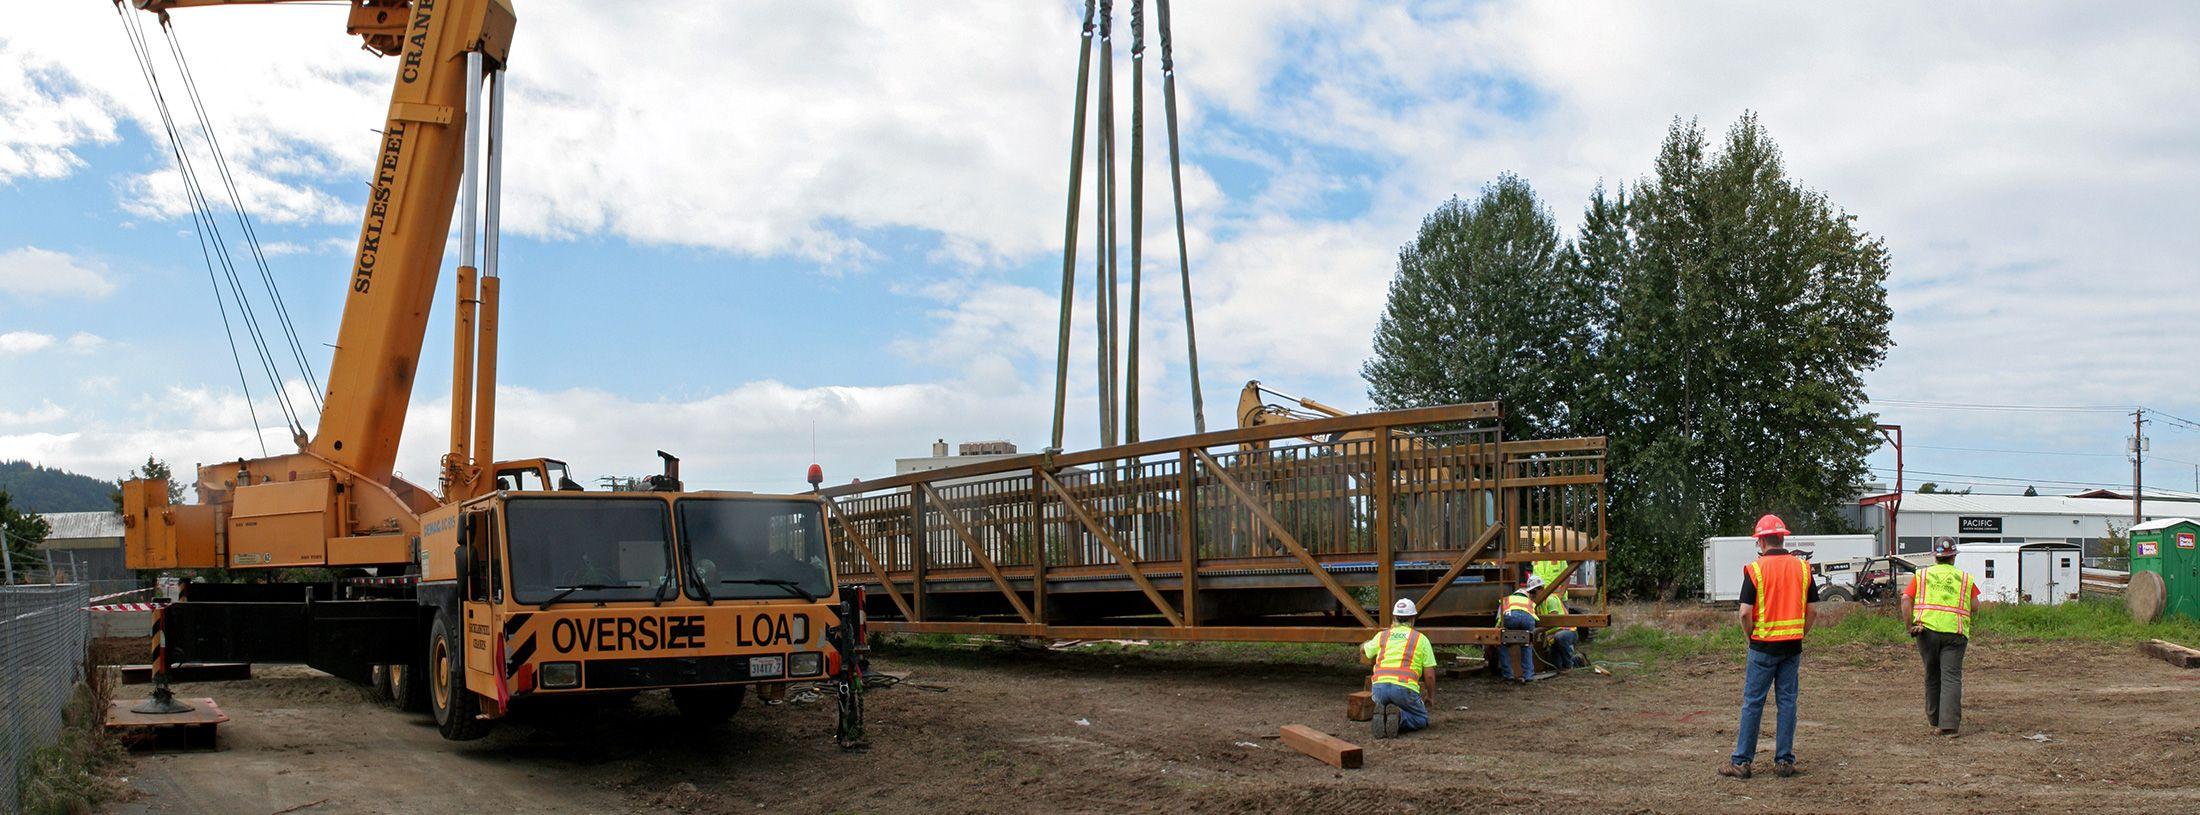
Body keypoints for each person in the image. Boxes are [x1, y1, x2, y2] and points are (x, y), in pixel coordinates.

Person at [1720, 514, 1818, 780]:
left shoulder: (1755, 570)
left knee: (1753, 703)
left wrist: (1751, 636)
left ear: (1762, 541)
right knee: (1787, 703)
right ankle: (1784, 761)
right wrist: (1800, 633)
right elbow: (1812, 611)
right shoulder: (1803, 568)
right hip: (1791, 647)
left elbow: (1744, 613)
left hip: (1762, 647)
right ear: (1782, 537)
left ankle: (1741, 762)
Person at [1903, 538, 1979, 737]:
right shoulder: (1964, 578)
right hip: (1955, 634)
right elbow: (1976, 605)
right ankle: (1949, 725)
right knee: (1951, 677)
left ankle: (1934, 719)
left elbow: (1905, 599)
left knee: (1932, 674)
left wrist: (1910, 625)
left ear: (1935, 557)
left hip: (1926, 633)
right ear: (1953, 557)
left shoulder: (1922, 575)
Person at [1360, 598, 1438, 738]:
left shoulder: (1383, 636)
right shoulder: (1420, 639)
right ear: (1413, 618)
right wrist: (1431, 696)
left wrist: (1365, 644)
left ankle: (1384, 716)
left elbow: (1364, 650)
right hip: (1404, 689)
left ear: (1394, 617)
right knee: (1421, 719)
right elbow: (1430, 675)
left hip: (1379, 689)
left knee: (1387, 704)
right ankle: (1400, 718)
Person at [1495, 574, 1543, 684]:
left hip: (1511, 618)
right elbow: (1534, 617)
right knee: (1526, 643)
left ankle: (1508, 676)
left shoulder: (1507, 600)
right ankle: (1528, 676)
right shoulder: (1530, 602)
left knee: (1503, 644)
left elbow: (1499, 618)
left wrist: (1497, 631)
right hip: (1527, 620)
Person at [1539, 579, 1584, 672]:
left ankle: (1569, 666)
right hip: (1553, 636)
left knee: (1560, 637)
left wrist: (1546, 634)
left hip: (1567, 631)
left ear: (1541, 589)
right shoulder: (1538, 603)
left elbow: (1554, 621)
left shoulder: (1550, 599)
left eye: (1533, 591)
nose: (1532, 594)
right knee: (1556, 666)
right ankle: (1577, 660)